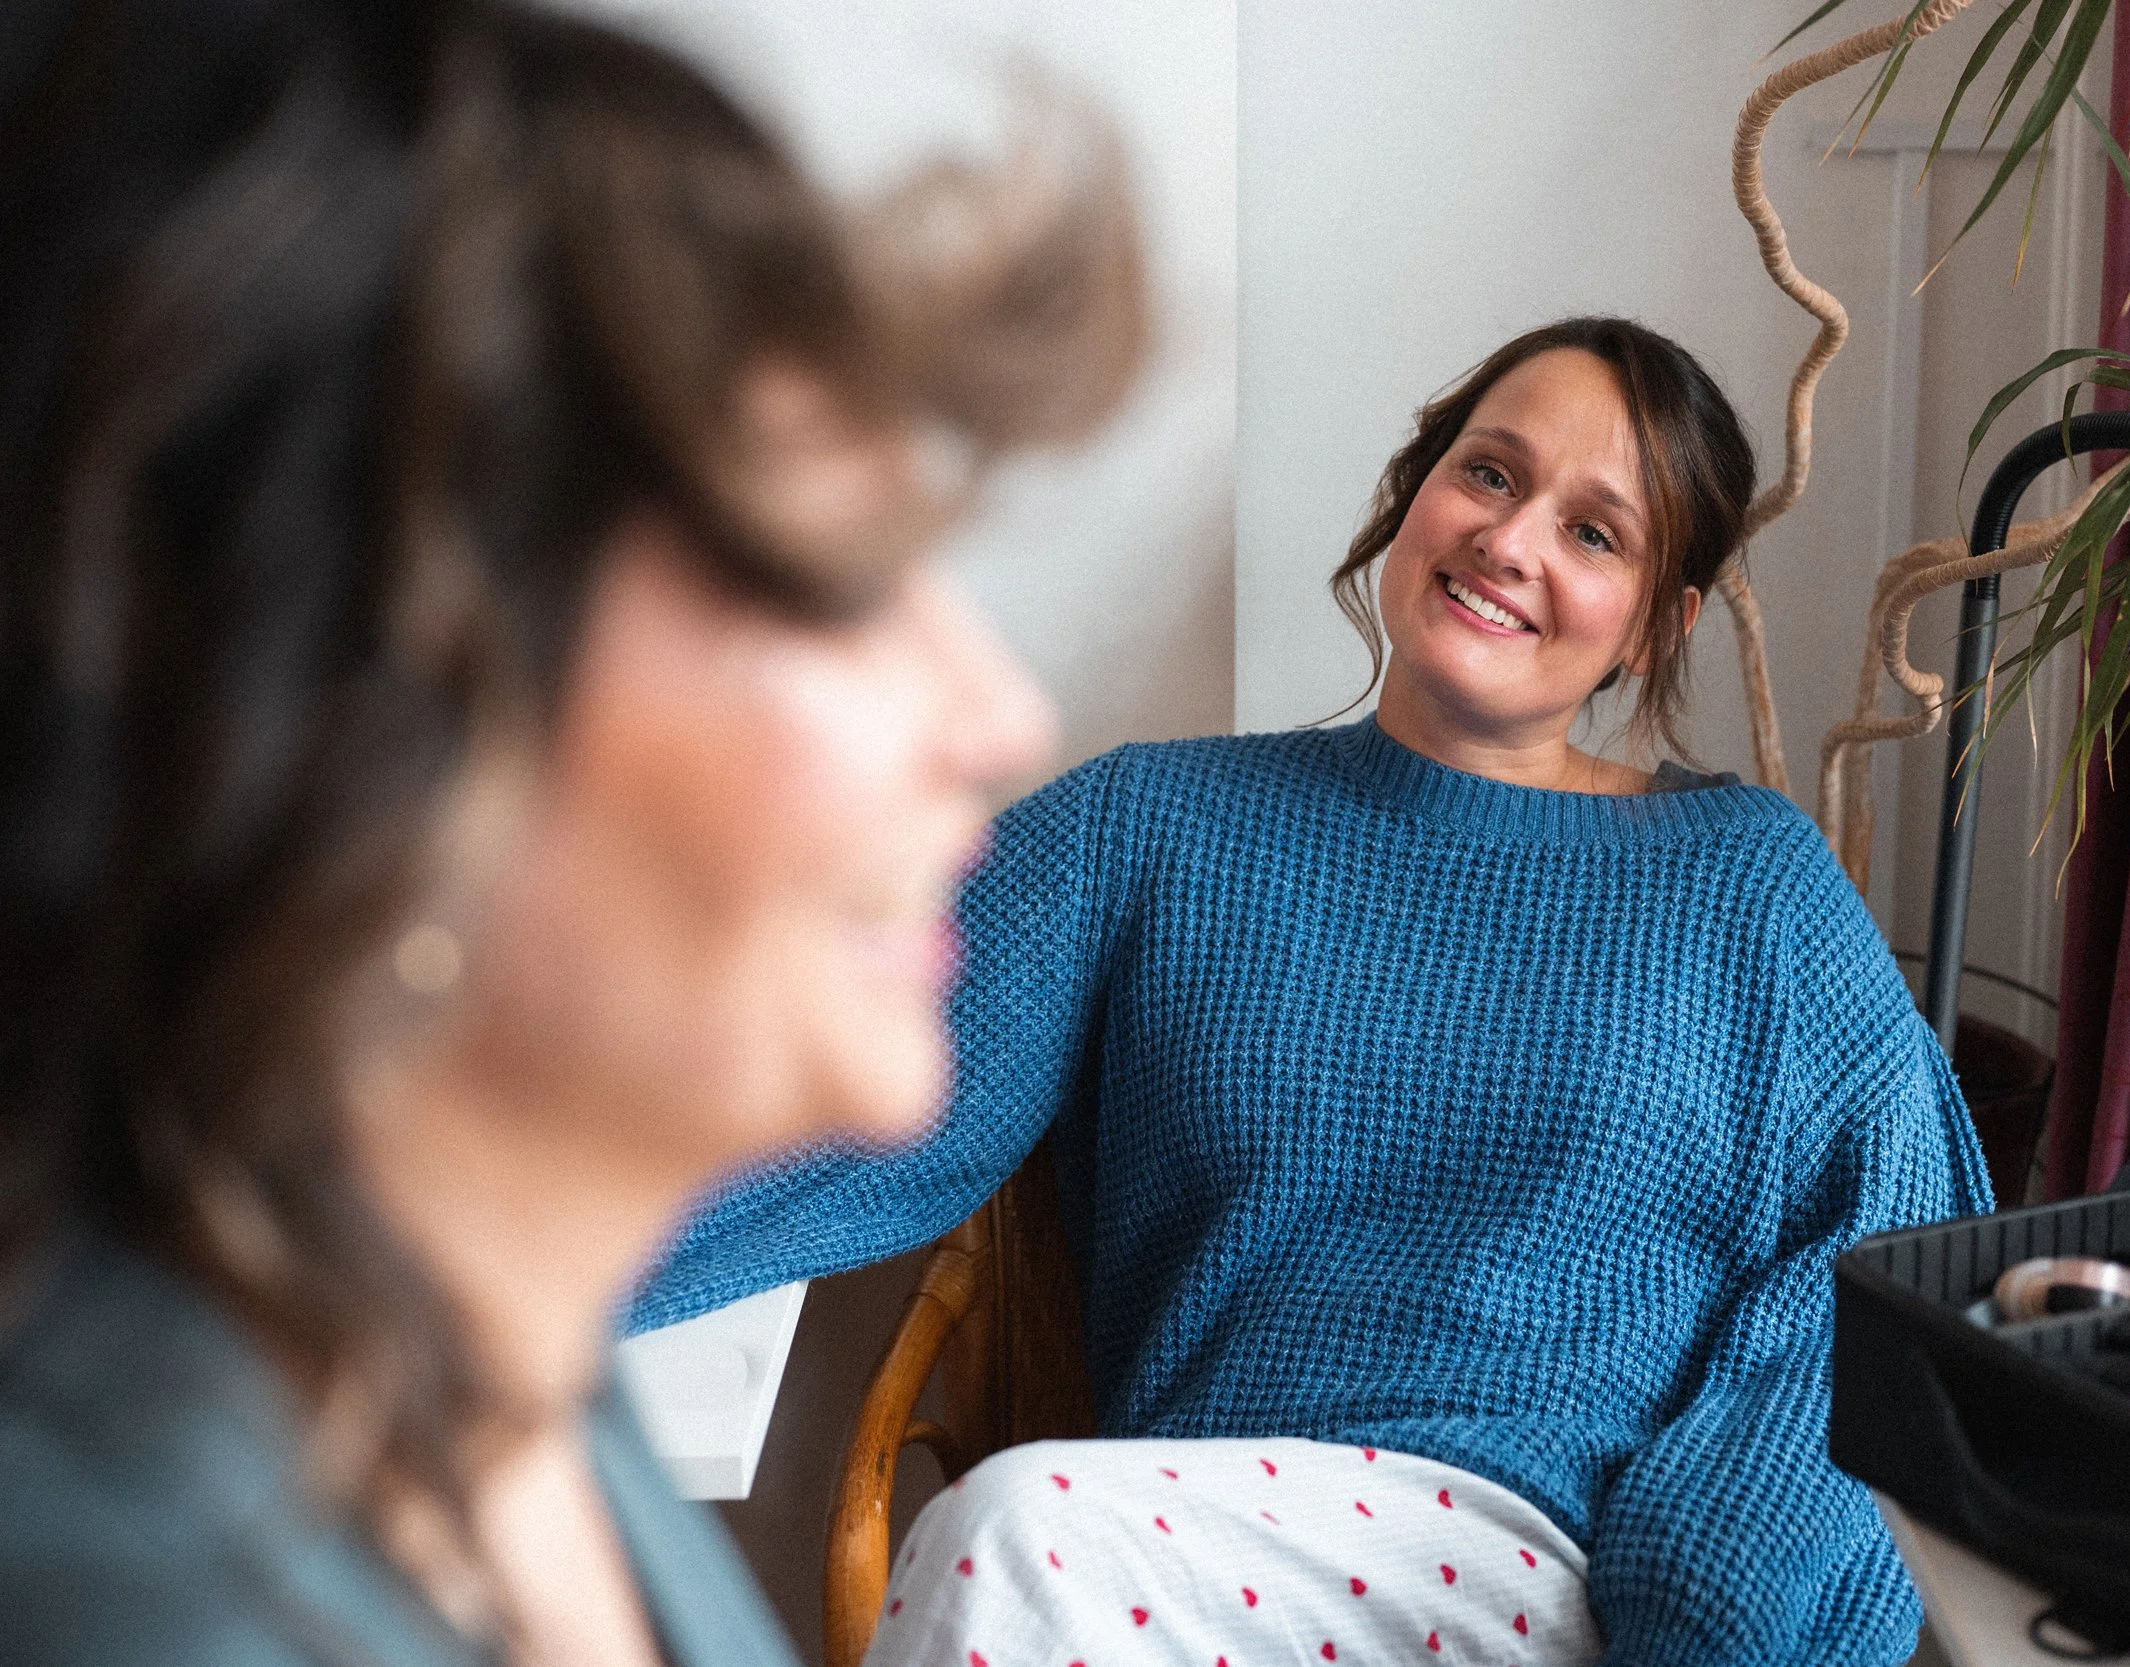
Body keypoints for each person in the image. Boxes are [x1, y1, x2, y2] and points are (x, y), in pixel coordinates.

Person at [0, 1, 1142, 1662]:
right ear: (364, 714)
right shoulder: (116, 1597)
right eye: (833, 586)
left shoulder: (520, 1403)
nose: (997, 711)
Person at [636, 318, 1992, 1666]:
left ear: (1657, 625)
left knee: (1014, 1537)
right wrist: (481, 1234)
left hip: (1557, 1587)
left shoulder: (1745, 881)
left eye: (1596, 534)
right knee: (1020, 1541)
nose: (1512, 542)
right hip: (1189, 1573)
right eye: (1492, 474)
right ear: (1416, 490)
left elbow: (1887, 1259)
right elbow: (835, 1068)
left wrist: (1718, 1594)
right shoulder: (1151, 829)